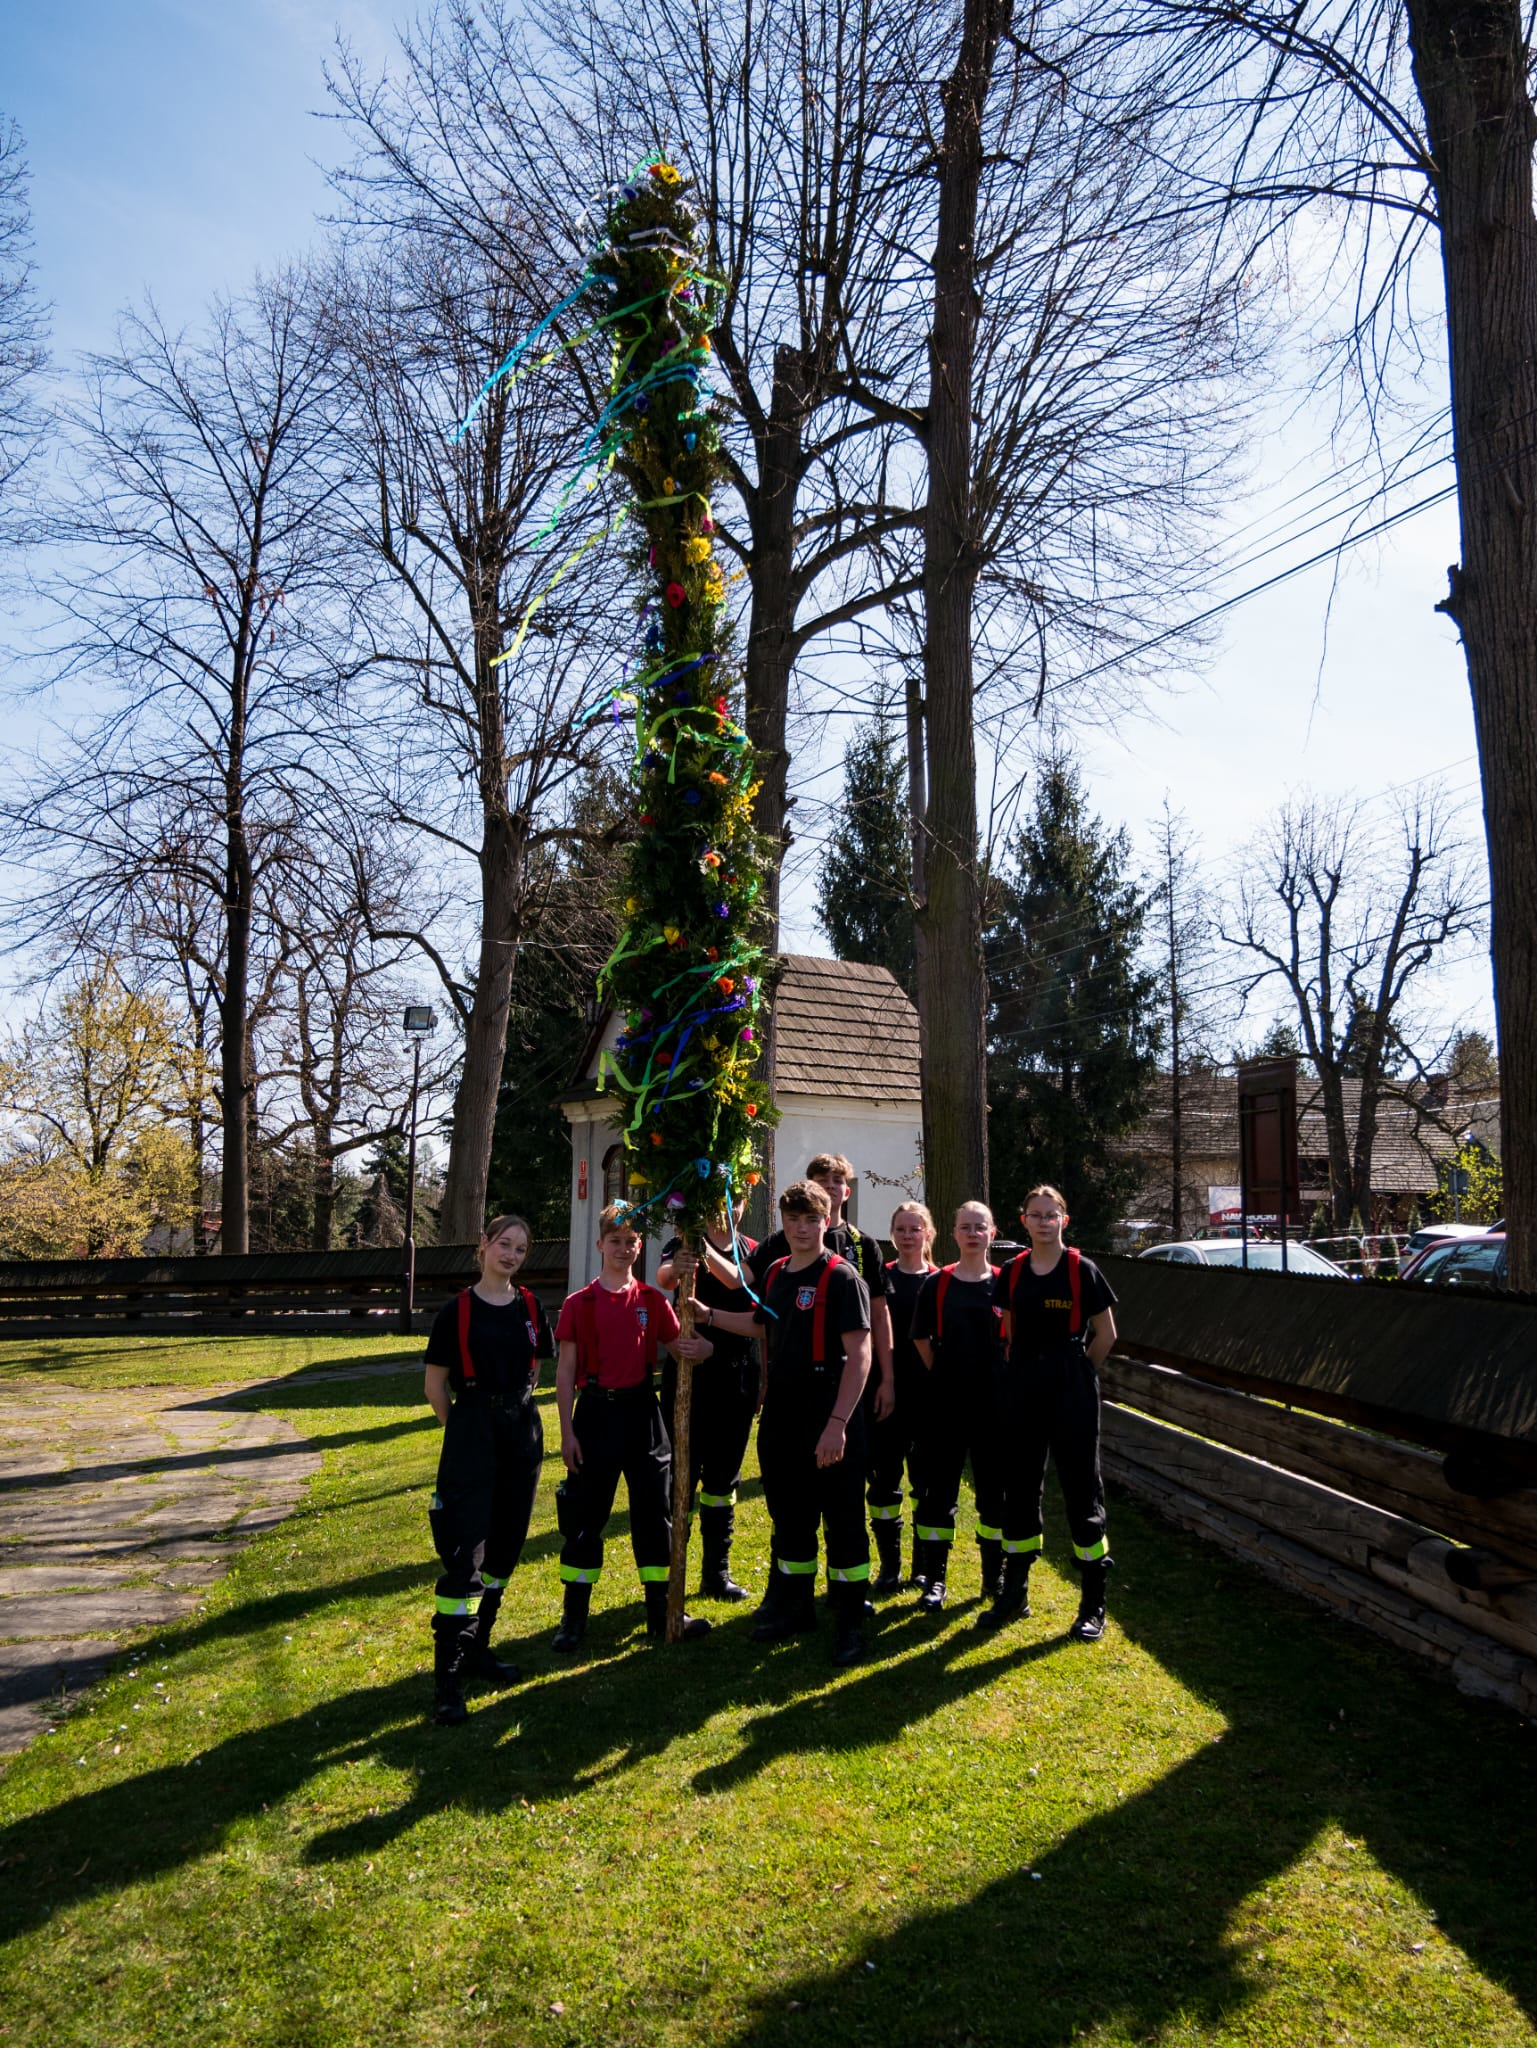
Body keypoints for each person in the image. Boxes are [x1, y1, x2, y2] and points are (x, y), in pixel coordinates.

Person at [707, 1180, 873, 1664]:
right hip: (783, 1411)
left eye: (811, 1219)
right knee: (791, 1517)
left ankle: (850, 1622)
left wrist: (838, 1423)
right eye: (793, 1219)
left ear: (827, 1219)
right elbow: (761, 1325)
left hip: (829, 1408)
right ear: (782, 1223)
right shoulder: (777, 1271)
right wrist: (709, 1315)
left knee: (843, 1520)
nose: (802, 1228)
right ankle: (797, 1608)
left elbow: (860, 1356)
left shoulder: (843, 1278)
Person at [550, 1203, 716, 1652]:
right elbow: (565, 1373)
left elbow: (680, 1345)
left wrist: (705, 1349)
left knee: (654, 1516)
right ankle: (573, 1616)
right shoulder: (579, 1304)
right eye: (615, 1241)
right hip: (595, 1416)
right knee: (585, 1518)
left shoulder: (651, 1300)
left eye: (631, 1242)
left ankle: (661, 1611)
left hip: (643, 1416)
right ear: (600, 1245)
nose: (623, 1249)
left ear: (640, 1247)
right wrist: (567, 1433)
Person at [423, 1213, 554, 1727]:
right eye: (504, 1244)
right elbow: (435, 1386)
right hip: (472, 1432)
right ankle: (448, 1680)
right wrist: (464, 1432)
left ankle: (478, 1648)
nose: (512, 1255)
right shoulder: (455, 1311)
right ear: (483, 1246)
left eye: (521, 1249)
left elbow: (536, 1367)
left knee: (504, 1548)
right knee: (464, 1556)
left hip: (521, 1432)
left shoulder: (530, 1307)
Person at [982, 1184, 1118, 1641]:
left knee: (1081, 1487)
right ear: (1023, 1221)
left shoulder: (1082, 1270)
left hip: (1070, 1382)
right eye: (1035, 1215)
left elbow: (1106, 1334)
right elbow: (1007, 1329)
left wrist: (1079, 1374)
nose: (1043, 1222)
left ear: (1064, 1219)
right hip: (1023, 1381)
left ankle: (1092, 1603)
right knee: (1019, 1484)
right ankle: (1014, 1593)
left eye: (1051, 1214)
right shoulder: (1013, 1271)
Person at [656, 1200, 761, 1601]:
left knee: (722, 1480)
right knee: (680, 1475)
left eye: (735, 1200)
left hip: (735, 1377)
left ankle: (716, 1572)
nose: (728, 1210)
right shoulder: (686, 1241)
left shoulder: (753, 1251)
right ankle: (672, 1574)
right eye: (719, 1201)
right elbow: (665, 1277)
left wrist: (762, 1379)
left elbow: (762, 1322)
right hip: (688, 1376)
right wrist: (677, 1267)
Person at [745, 1152, 894, 1424]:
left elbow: (878, 1316)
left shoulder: (860, 1249)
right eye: (823, 1179)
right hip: (787, 1380)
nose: (801, 1228)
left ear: (847, 1191)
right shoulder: (779, 1251)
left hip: (838, 1374)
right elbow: (766, 1322)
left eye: (837, 1180)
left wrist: (887, 1378)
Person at [909, 1201, 1007, 1614]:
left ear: (992, 1233)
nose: (972, 1233)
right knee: (938, 1494)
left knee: (994, 1495)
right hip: (946, 1405)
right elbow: (920, 1337)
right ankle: (935, 1579)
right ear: (953, 1234)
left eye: (979, 1227)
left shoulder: (1005, 1283)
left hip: (994, 1407)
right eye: (965, 1227)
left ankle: (993, 1575)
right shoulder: (938, 1283)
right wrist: (943, 1371)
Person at [868, 1201, 937, 1594]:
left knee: (926, 1485)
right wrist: (882, 1383)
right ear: (892, 1234)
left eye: (915, 1228)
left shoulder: (942, 1280)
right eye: (901, 1229)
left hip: (928, 1398)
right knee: (883, 1484)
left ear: (928, 1233)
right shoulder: (881, 1280)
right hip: (885, 1393)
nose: (908, 1236)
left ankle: (923, 1568)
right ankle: (889, 1566)